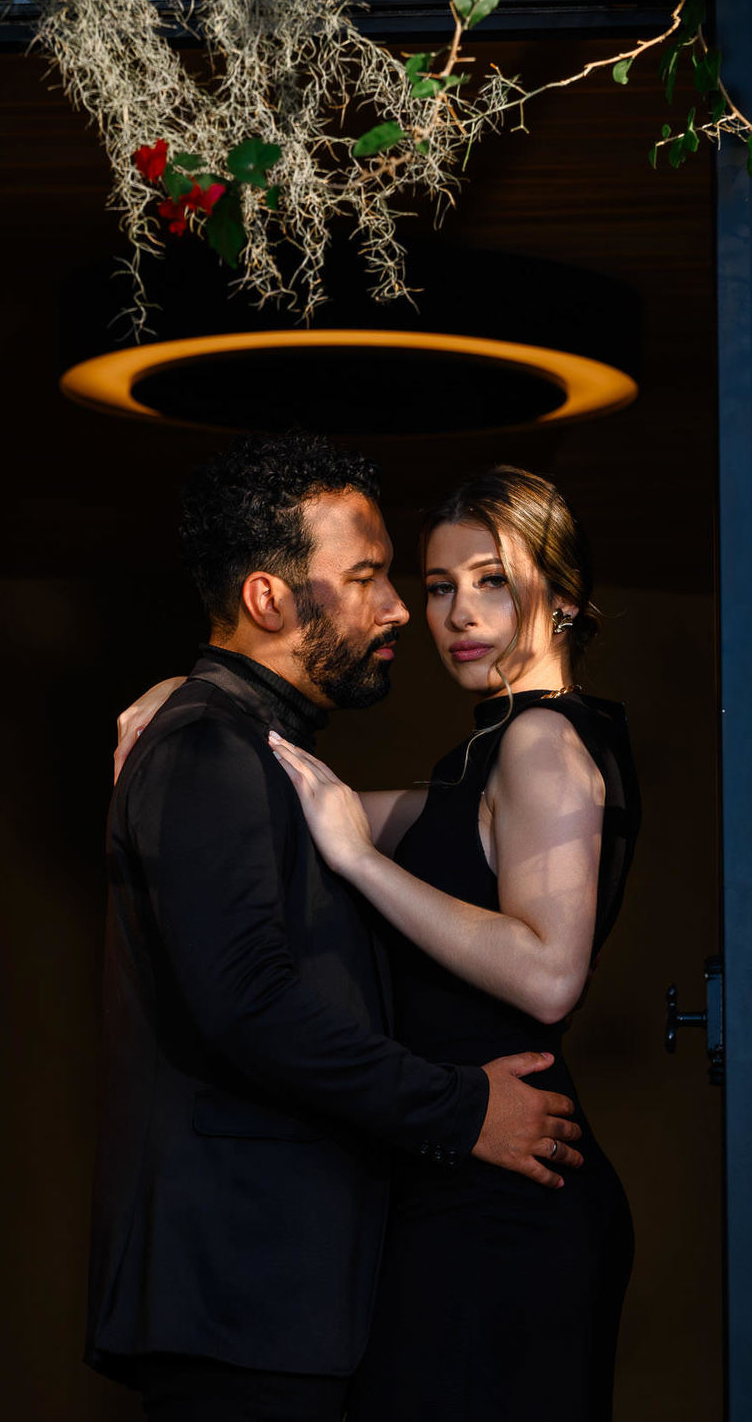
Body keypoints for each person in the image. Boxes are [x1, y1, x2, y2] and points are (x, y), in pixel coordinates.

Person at [119, 462, 641, 1422]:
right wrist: (188, 694)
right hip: (460, 1182)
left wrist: (364, 867)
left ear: (563, 598)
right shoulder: (484, 758)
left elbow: (551, 972)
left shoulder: (543, 743)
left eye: (489, 579)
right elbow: (309, 802)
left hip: (507, 1192)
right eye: (439, 585)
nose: (449, 612)